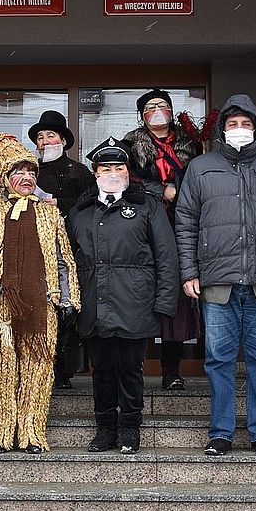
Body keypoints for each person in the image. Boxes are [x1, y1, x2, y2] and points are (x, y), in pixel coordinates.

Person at [175, 94, 256, 457]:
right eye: (232, 124)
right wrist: (189, 271)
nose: (239, 129)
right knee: (218, 359)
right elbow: (185, 224)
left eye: (245, 124)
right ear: (222, 129)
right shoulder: (201, 167)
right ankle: (221, 433)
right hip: (218, 280)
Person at [0, 132, 80, 455]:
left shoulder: (50, 214)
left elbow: (64, 261)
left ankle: (31, 433)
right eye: (19, 171)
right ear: (4, 175)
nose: (27, 177)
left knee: (38, 370)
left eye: (31, 172)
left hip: (41, 304)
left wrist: (68, 299)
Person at [68, 137, 178, 455]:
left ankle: (130, 427)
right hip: (94, 302)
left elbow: (166, 256)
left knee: (130, 369)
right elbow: (67, 258)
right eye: (105, 168)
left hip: (135, 303)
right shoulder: (80, 211)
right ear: (95, 172)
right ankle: (105, 429)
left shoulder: (147, 206)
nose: (112, 173)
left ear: (128, 172)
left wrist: (165, 302)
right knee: (101, 370)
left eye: (118, 167)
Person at [124, 89, 202, 390]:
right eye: (151, 106)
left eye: (163, 105)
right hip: (144, 223)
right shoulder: (130, 144)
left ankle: (172, 370)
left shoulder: (190, 143)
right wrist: (161, 191)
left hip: (181, 223)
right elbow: (126, 179)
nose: (157, 110)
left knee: (176, 296)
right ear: (142, 115)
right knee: (141, 293)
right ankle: (135, 369)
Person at [29, 110, 95, 389]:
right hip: (36, 248)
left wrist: (60, 203)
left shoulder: (79, 171)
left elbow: (90, 204)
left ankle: (65, 370)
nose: (45, 142)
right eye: (40, 137)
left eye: (50, 136)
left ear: (64, 140)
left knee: (68, 307)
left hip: (71, 247)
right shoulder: (30, 170)